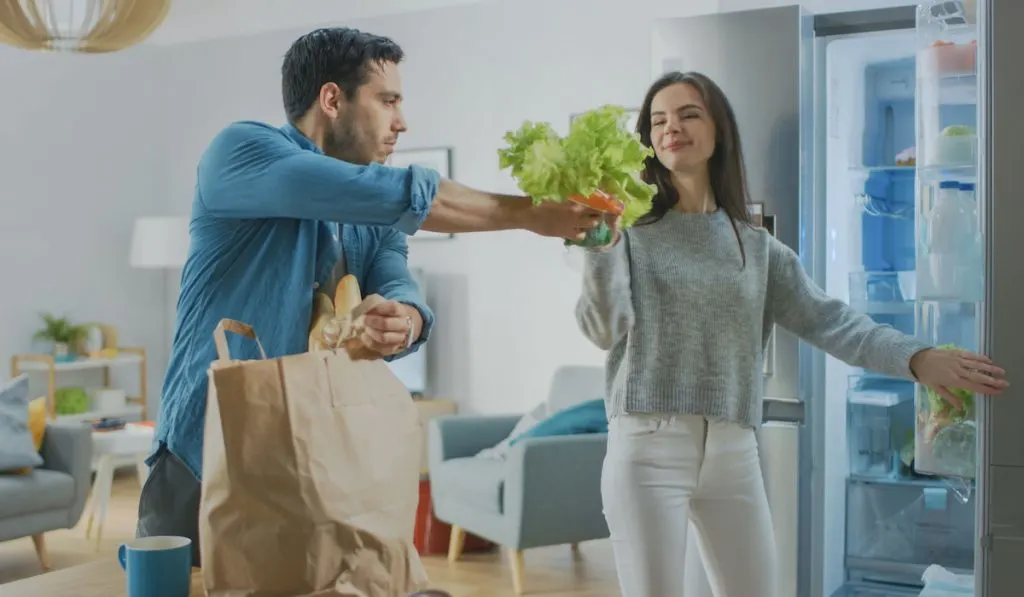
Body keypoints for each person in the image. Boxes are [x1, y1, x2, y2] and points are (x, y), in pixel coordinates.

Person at [136, 27, 604, 566]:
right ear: (332, 99)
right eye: (388, 101)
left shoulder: (372, 216)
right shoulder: (240, 152)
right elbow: (390, 193)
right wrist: (530, 214)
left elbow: (395, 274)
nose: (401, 122)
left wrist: (405, 317)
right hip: (204, 452)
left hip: (312, 461)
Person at [575, 71, 1008, 597]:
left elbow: (832, 320)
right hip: (647, 446)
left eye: (689, 114)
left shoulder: (757, 248)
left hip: (734, 449)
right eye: (659, 120)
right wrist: (597, 242)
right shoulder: (626, 233)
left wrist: (916, 357)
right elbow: (602, 329)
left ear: (719, 132)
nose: (672, 128)